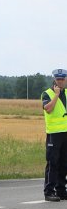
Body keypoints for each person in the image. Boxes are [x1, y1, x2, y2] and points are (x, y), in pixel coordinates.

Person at [41, 69, 67, 202]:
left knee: (64, 163)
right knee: (53, 163)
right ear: (54, 80)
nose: (61, 81)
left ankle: (61, 191)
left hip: (65, 133)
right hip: (54, 134)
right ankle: (49, 191)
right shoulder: (47, 94)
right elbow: (49, 109)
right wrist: (56, 95)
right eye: (58, 79)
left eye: (63, 79)